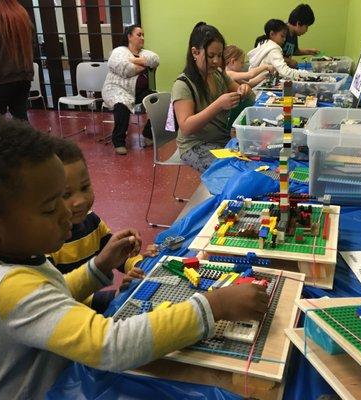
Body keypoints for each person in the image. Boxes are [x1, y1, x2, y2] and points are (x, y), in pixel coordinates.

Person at [0, 115, 269, 399]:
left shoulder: (11, 255)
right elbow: (109, 345)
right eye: (51, 207)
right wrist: (215, 305)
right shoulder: (6, 286)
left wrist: (98, 266)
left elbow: (53, 292)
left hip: (68, 379)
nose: (68, 212)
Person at [48, 137, 158, 313]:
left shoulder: (91, 221)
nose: (80, 201)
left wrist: (138, 265)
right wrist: (111, 298)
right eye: (66, 195)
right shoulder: (46, 244)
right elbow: (56, 300)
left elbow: (117, 258)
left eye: (84, 188)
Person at [173, 22, 254, 173]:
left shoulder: (218, 74)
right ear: (195, 52)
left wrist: (245, 89)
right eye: (211, 56)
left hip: (223, 139)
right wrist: (218, 105)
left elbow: (243, 91)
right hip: (197, 145)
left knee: (256, 161)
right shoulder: (183, 85)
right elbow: (186, 127)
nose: (216, 61)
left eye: (219, 55)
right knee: (233, 173)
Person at [102, 25, 159, 155]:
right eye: (139, 35)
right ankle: (118, 142)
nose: (142, 38)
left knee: (160, 101)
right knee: (122, 105)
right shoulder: (119, 51)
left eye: (143, 35)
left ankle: (148, 134)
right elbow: (125, 69)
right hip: (116, 89)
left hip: (137, 92)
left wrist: (134, 60)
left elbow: (155, 59)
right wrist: (143, 64)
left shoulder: (144, 53)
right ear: (129, 36)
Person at [282, 4, 319, 68]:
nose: (307, 30)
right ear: (298, 24)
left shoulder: (294, 33)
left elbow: (294, 50)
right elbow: (272, 55)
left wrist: (309, 51)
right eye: (306, 26)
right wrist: (289, 61)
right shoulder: (281, 32)